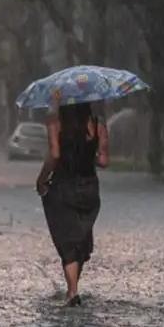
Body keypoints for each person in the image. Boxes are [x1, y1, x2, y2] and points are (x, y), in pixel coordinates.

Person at [35, 94, 109, 307]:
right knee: (80, 240)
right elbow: (104, 160)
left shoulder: (54, 123)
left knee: (66, 240)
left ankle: (72, 292)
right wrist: (86, 154)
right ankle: (73, 288)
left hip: (63, 187)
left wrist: (41, 180)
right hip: (89, 189)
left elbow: (55, 155)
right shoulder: (97, 125)